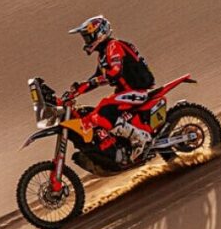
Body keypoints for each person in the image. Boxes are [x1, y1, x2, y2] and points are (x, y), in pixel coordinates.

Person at [64, 15, 156, 163]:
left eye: (88, 37)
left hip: (136, 90)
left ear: (99, 33)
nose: (87, 41)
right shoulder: (103, 53)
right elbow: (97, 78)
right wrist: (76, 91)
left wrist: (94, 81)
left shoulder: (113, 46)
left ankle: (140, 139)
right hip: (126, 92)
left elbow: (115, 72)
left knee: (104, 108)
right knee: (95, 112)